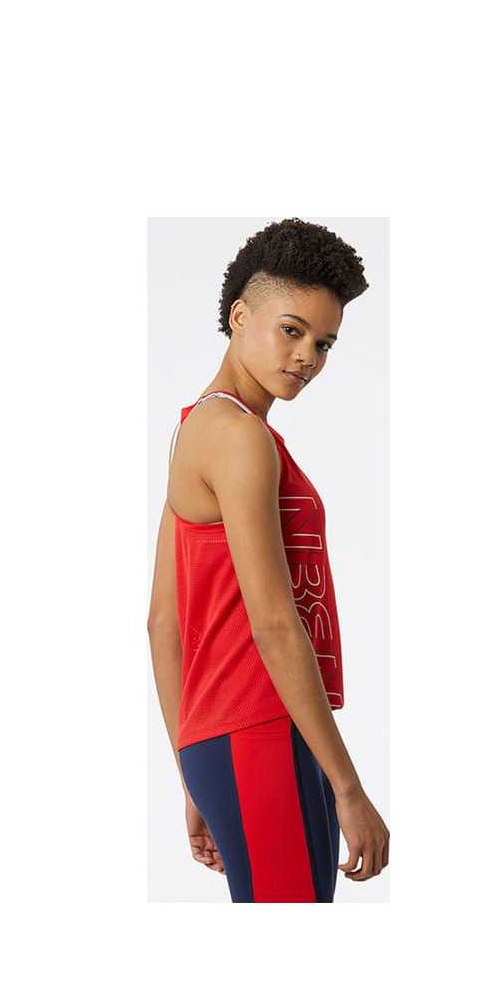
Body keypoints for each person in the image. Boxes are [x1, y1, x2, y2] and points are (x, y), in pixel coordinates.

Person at [148, 218, 389, 902]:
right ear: (239, 316)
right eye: (291, 330)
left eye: (324, 342)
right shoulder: (240, 440)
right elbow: (275, 623)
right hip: (262, 734)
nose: (307, 355)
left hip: (227, 741)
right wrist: (349, 788)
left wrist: (193, 772)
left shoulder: (197, 428)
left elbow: (162, 624)